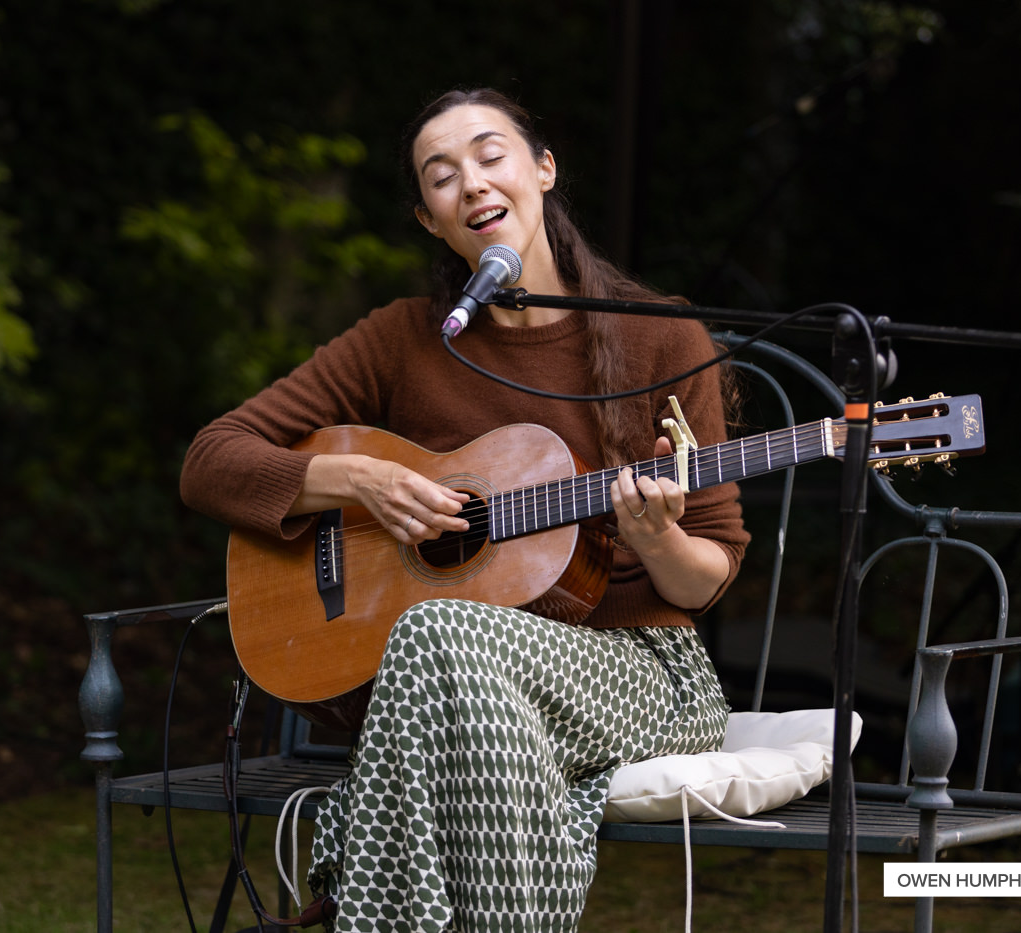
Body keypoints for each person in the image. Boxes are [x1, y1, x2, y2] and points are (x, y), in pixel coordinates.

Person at [180, 87, 751, 933]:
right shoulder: (405, 338)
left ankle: (351, 911)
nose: (472, 184)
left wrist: (657, 535)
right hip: (458, 683)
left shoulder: (662, 338)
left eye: (491, 155)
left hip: (643, 671)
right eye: (441, 177)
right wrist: (358, 482)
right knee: (449, 646)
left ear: (543, 170)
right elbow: (211, 460)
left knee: (438, 631)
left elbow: (707, 575)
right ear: (429, 220)